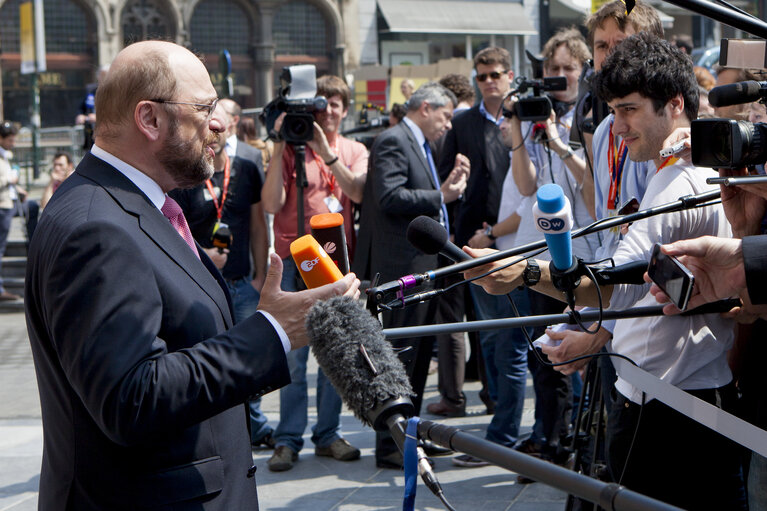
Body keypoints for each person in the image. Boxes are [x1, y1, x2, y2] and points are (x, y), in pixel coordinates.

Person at [24, 40, 360, 510]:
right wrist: (273, 333)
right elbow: (132, 398)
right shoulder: (96, 226)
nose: (220, 122)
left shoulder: (136, 204)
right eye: (204, 108)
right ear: (150, 119)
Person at [463, 33, 746, 510]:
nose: (616, 127)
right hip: (671, 406)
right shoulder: (684, 170)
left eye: (628, 110)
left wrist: (523, 274)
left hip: (673, 417)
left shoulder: (680, 182)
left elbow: (608, 287)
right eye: (613, 111)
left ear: (675, 104)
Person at [353, 82, 469, 468]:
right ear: (424, 107)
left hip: (420, 267)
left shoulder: (417, 141)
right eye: (446, 115)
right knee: (401, 359)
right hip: (402, 270)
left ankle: (410, 437)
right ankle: (392, 445)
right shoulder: (393, 139)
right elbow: (390, 196)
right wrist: (442, 197)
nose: (449, 125)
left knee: (417, 357)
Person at [261, 74, 367, 472]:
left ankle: (327, 433)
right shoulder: (289, 148)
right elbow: (272, 203)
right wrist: (278, 145)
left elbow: (356, 192)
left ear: (343, 108)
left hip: (336, 263)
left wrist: (326, 151)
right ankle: (288, 438)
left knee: (333, 352)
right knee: (292, 353)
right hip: (293, 258)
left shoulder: (354, 149)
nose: (327, 112)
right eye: (320, 105)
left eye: (334, 105)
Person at [506, 27, 597, 471]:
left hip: (582, 251)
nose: (558, 76)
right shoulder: (530, 118)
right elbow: (525, 185)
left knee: (577, 350)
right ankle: (548, 437)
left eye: (567, 69)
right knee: (542, 353)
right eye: (551, 69)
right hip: (537, 254)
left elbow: (593, 190)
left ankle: (572, 438)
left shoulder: (590, 115)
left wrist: (561, 145)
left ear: (583, 72)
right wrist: (516, 128)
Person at [438, 46, 529, 466]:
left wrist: (496, 231)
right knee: (489, 338)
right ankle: (499, 415)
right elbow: (448, 182)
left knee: (508, 340)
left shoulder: (523, 120)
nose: (489, 81)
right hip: (473, 242)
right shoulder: (461, 122)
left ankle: (505, 432)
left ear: (510, 75)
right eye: (481, 76)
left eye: (495, 74)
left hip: (516, 240)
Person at [170, 103, 275, 451]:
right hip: (202, 284)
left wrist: (260, 276)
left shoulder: (246, 166)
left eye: (222, 127)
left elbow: (259, 224)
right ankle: (234, 432)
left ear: (231, 127)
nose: (215, 135)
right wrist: (203, 256)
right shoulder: (187, 175)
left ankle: (251, 427)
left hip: (242, 284)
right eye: (209, 129)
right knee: (213, 359)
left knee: (248, 359)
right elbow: (173, 226)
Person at [0, 121, 21, 301]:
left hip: (8, 203)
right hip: (2, 205)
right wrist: (10, 179)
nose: (12, 143)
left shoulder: (5, 155)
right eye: (10, 140)